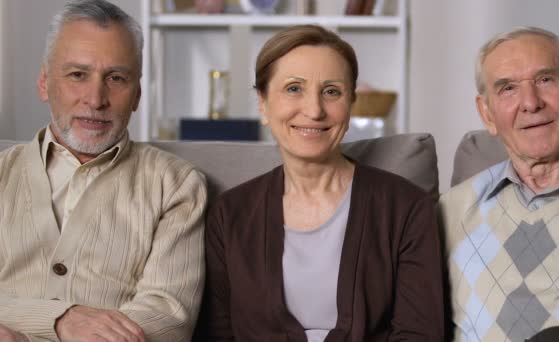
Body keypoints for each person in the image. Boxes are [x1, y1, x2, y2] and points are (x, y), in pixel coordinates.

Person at [199, 24, 444, 341]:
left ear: (350, 103)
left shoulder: (407, 208)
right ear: (262, 103)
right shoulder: (228, 215)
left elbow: (419, 335)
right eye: (293, 89)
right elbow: (218, 336)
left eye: (331, 91)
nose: (314, 110)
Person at [0, 1, 206, 341]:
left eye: (116, 78)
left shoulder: (176, 185)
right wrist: (60, 318)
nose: (96, 99)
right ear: (44, 82)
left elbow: (169, 318)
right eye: (78, 75)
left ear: (137, 93)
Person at [439, 26, 559, 341]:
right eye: (508, 88)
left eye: (546, 80)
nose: (530, 103)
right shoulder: (448, 212)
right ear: (486, 114)